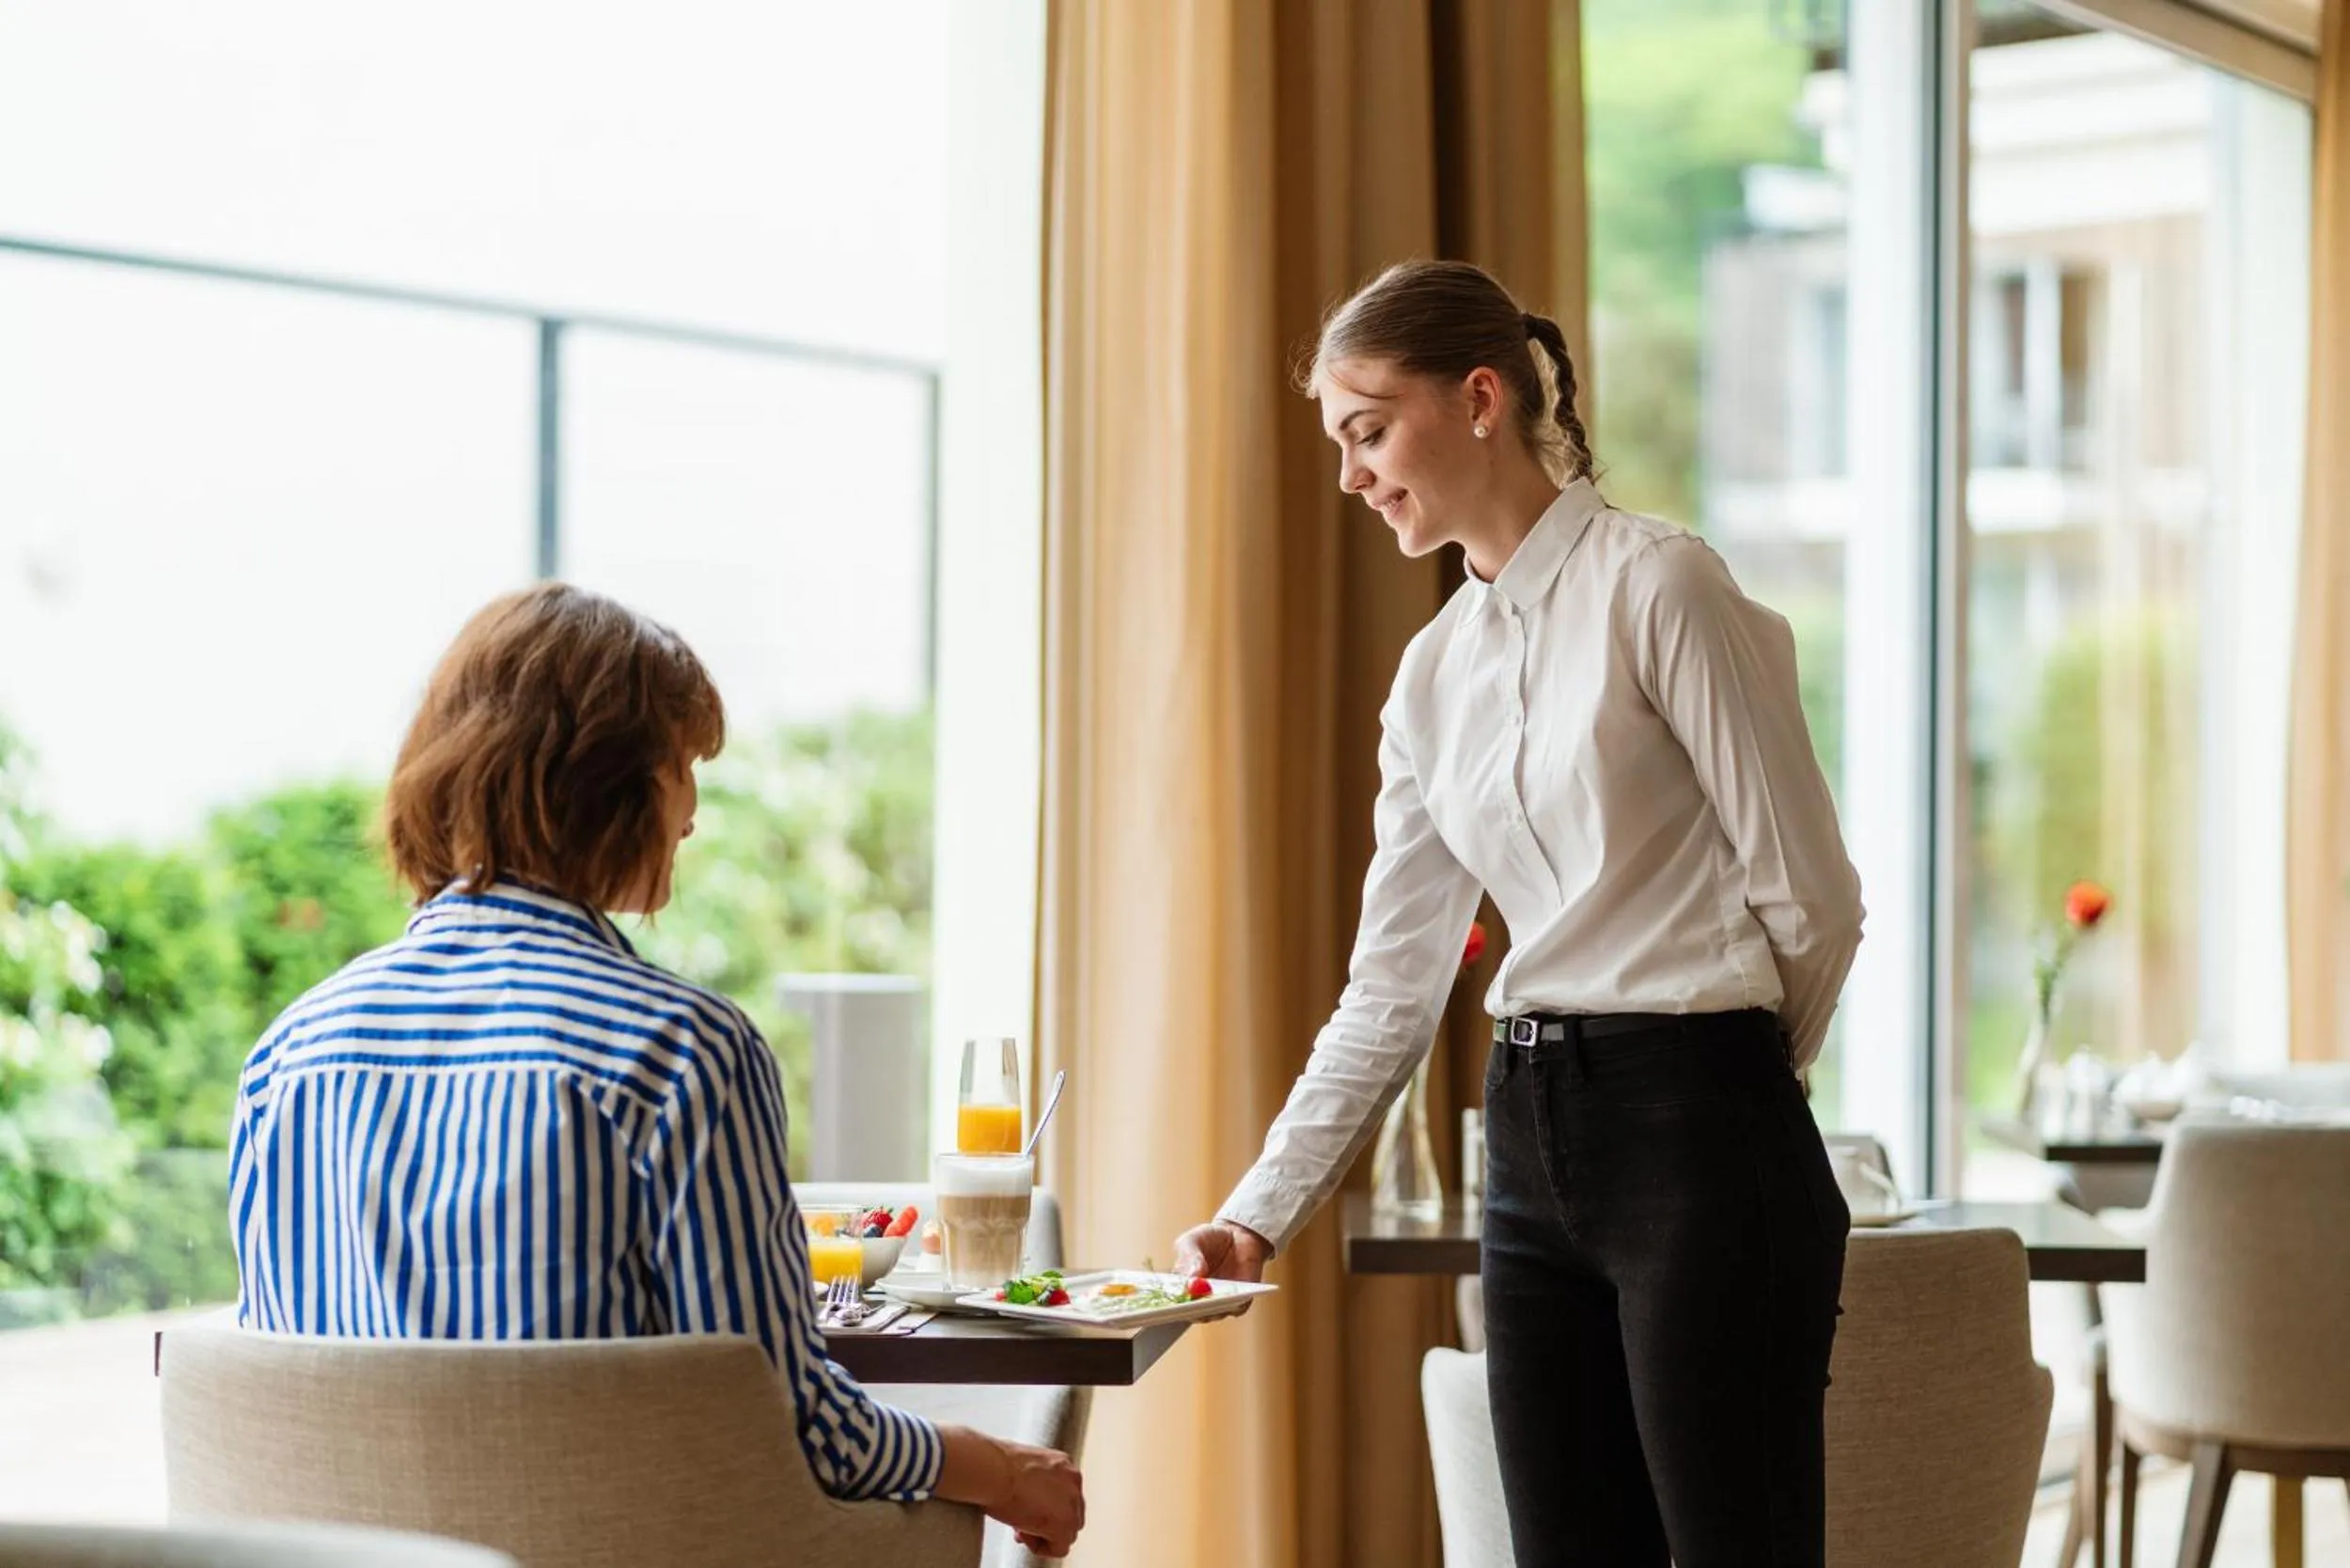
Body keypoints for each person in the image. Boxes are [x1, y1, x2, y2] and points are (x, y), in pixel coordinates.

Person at [1174, 259, 1864, 1567]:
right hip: (1530, 1148)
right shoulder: (1432, 676)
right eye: (1339, 443)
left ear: (1479, 398)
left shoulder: (1663, 587)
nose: (1352, 476)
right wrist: (1257, 1213)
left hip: (1702, 1128)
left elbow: (1814, 897)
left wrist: (1738, 1080)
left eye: (1368, 431)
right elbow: (1391, 986)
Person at [228, 583, 1084, 1558]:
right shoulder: (682, 1054)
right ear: (611, 783)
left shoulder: (286, 1059)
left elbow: (294, 1406)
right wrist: (997, 1467)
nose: (692, 811)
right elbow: (791, 1428)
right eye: (681, 766)